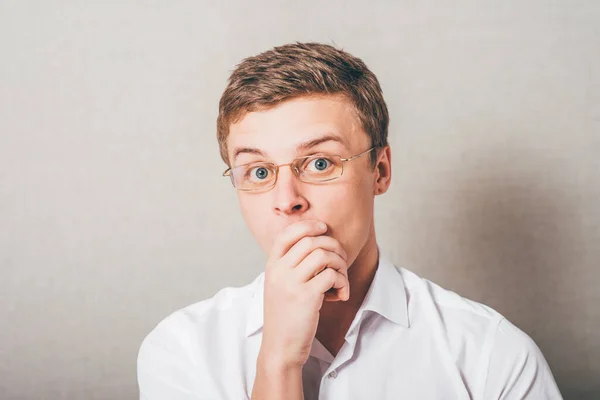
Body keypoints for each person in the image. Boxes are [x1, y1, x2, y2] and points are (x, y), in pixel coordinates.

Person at [137, 42, 562, 399]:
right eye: (260, 172)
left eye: (320, 162)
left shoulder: (492, 356)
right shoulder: (183, 350)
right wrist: (278, 361)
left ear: (380, 171)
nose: (287, 201)